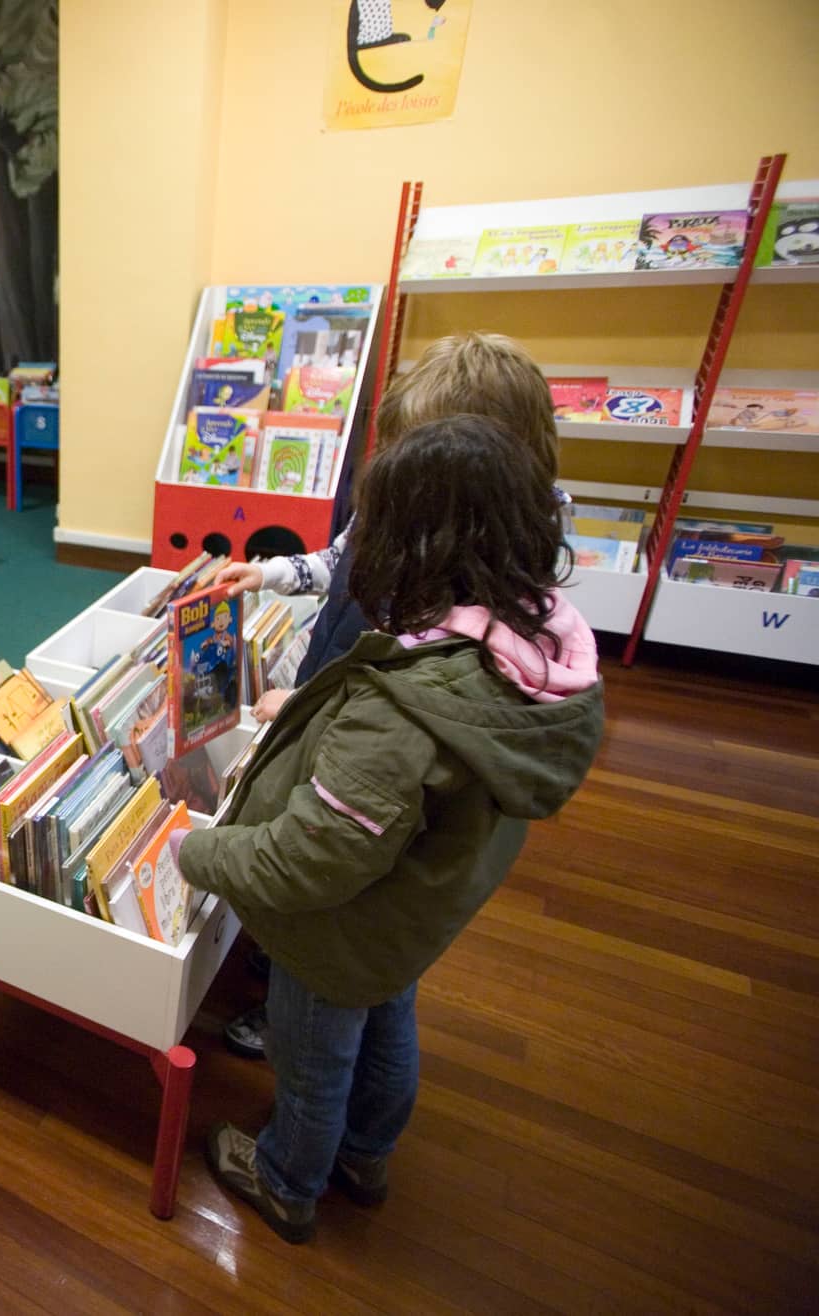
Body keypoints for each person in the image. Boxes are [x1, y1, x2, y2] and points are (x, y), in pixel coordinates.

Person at [168, 414, 604, 1243]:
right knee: (388, 1016)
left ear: (411, 543)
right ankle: (367, 1155)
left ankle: (289, 1178)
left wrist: (196, 850)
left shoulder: (403, 713)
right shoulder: (529, 643)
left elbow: (308, 862)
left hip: (338, 931)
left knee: (312, 1058)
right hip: (409, 914)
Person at [213, 330, 571, 1059]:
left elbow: (417, 700)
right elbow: (339, 558)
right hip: (342, 703)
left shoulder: (484, 585)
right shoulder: (406, 504)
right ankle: (280, 957)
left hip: (365, 737)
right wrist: (273, 575)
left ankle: (290, 1006)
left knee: (333, 879)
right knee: (310, 835)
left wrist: (314, 711)